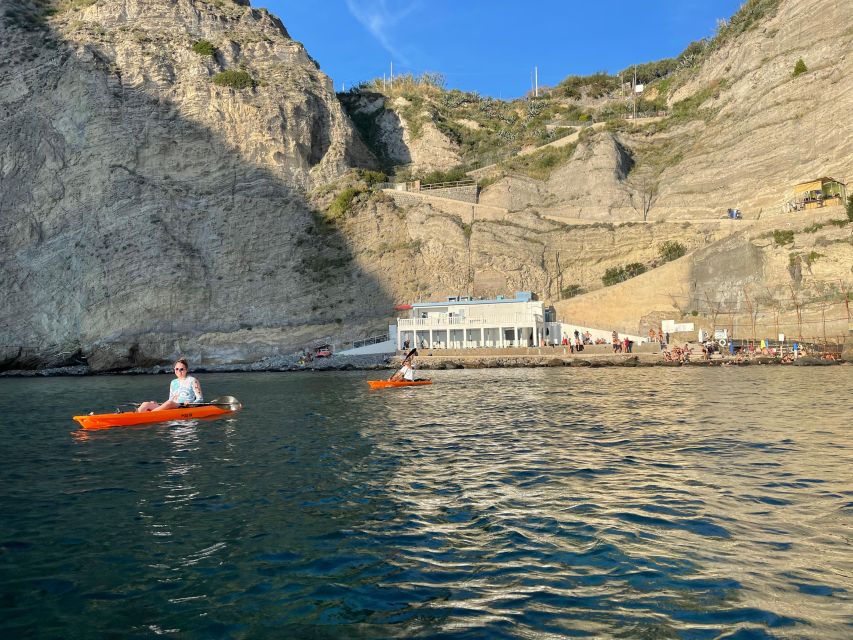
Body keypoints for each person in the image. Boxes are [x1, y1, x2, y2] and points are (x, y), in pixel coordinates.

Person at [137, 358, 203, 412]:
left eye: (181, 369)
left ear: (186, 370)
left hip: (184, 407)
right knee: (145, 404)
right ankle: (136, 416)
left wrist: (191, 405)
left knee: (169, 403)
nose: (179, 371)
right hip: (172, 406)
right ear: (174, 369)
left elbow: (200, 399)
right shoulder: (173, 382)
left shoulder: (193, 380)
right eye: (177, 369)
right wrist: (158, 404)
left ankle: (149, 415)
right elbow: (170, 399)